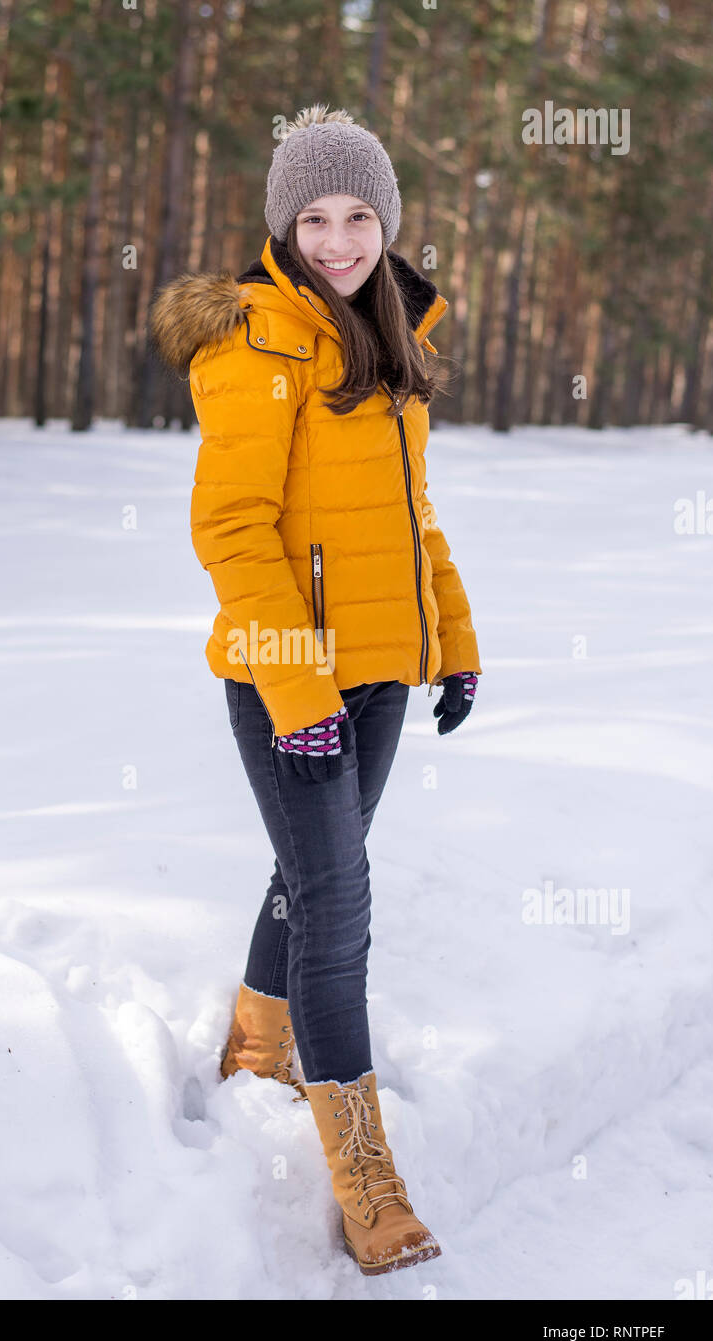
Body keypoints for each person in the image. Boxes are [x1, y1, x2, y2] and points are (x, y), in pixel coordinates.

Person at [150, 103, 481, 1277]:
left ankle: (258, 1038)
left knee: (315, 874)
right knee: (340, 908)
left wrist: (454, 640)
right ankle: (365, 1179)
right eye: (314, 216)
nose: (338, 239)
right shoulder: (256, 341)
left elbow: (411, 519)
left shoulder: (393, 341)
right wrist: (297, 690)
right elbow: (234, 532)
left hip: (383, 668)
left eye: (358, 216)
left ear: (386, 224)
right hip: (289, 675)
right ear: (284, 225)